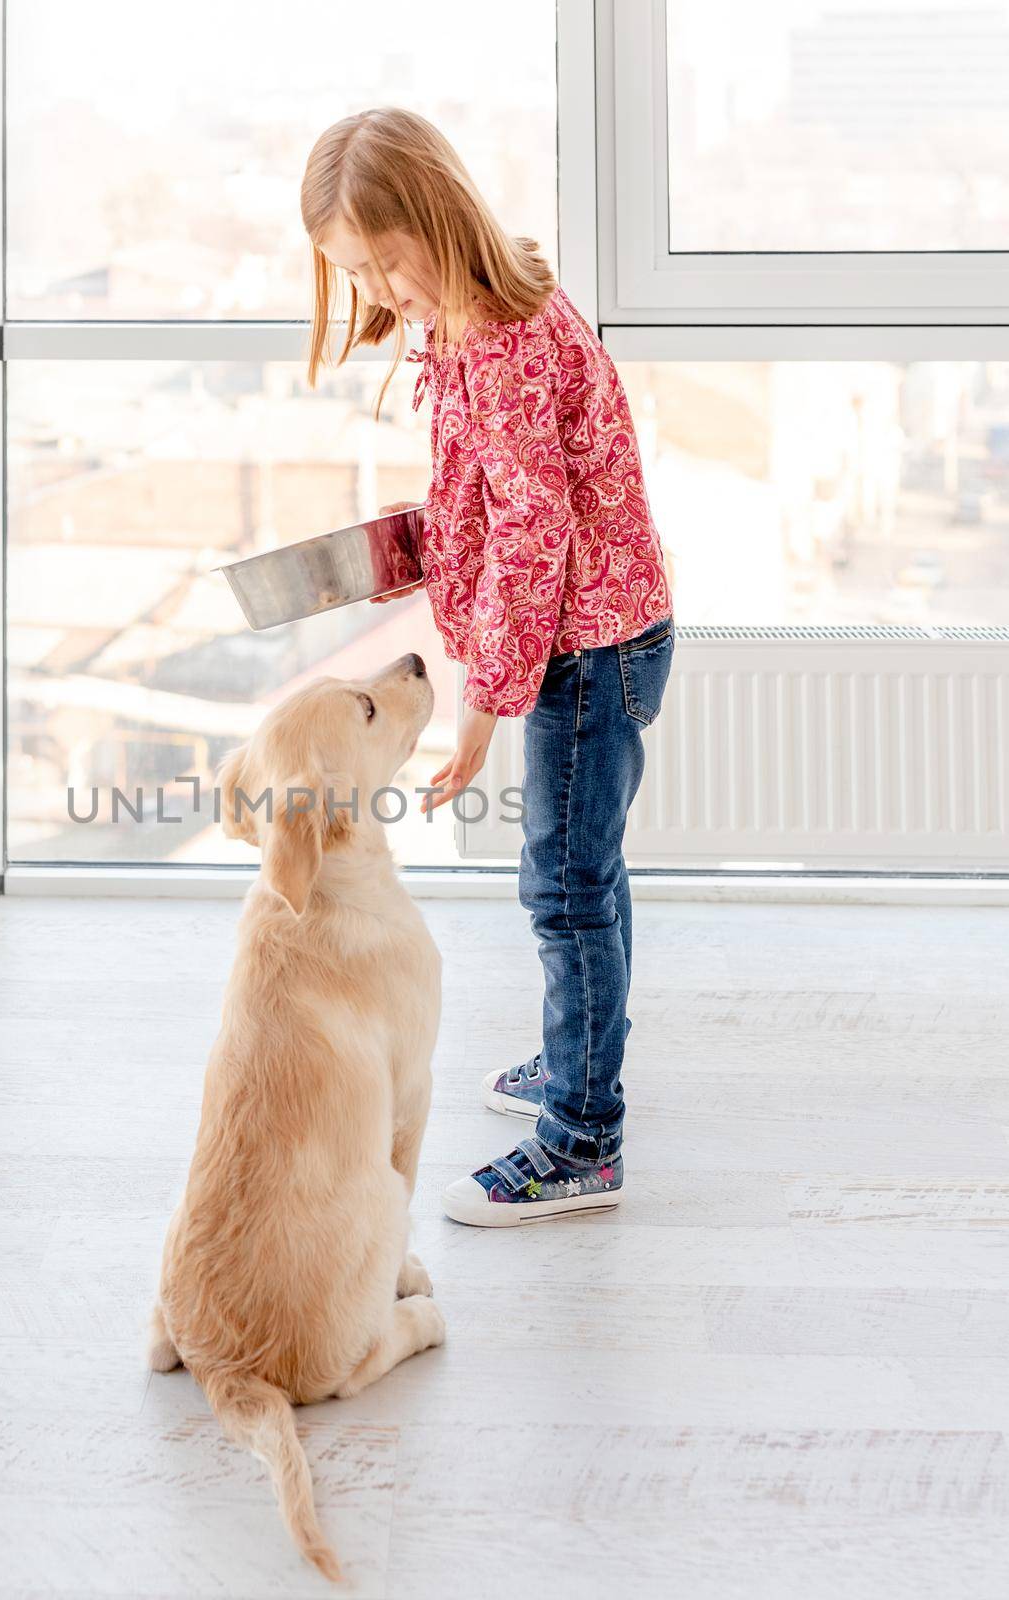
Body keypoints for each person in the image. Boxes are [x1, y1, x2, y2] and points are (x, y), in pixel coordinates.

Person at [300, 107, 676, 1226]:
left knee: (564, 892)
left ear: (429, 218)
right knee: (582, 879)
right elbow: (497, 504)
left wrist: (481, 707)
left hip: (587, 651)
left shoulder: (502, 347)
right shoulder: (473, 322)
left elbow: (533, 541)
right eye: (353, 274)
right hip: (595, 634)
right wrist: (405, 549)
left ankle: (582, 1137)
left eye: (382, 264)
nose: (376, 292)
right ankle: (581, 1062)